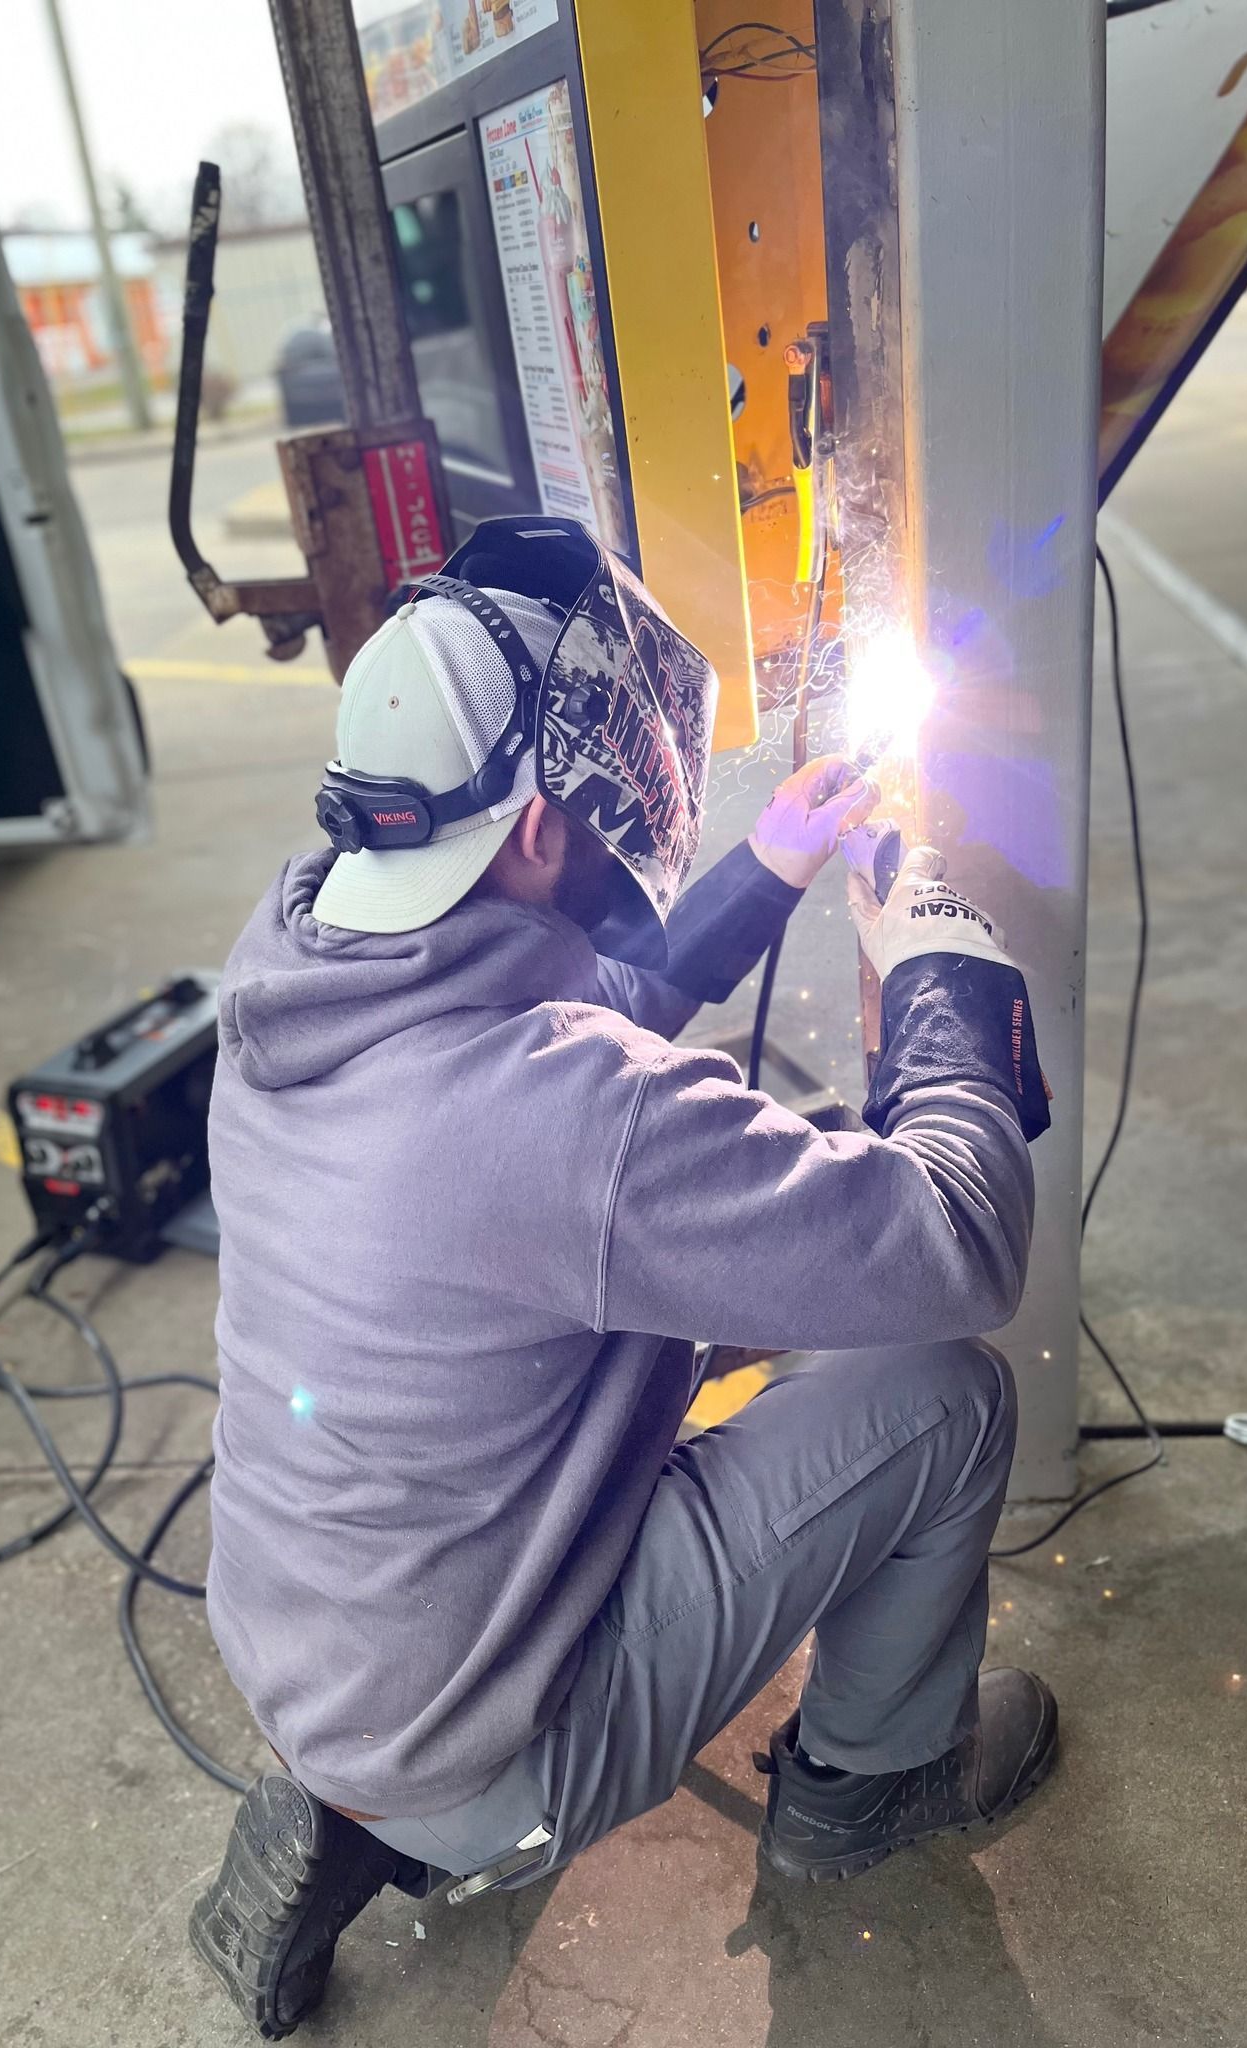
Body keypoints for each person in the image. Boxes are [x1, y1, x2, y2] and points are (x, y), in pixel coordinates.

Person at [189, 517, 1056, 2039]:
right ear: (535, 832)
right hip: (496, 1744)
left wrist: (766, 874)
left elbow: (553, 1015)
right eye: (586, 804)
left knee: (718, 1302)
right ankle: (872, 1782)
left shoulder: (294, 969)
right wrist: (946, 977)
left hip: (312, 1643)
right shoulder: (567, 1125)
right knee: (941, 1398)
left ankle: (348, 1802)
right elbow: (955, 1246)